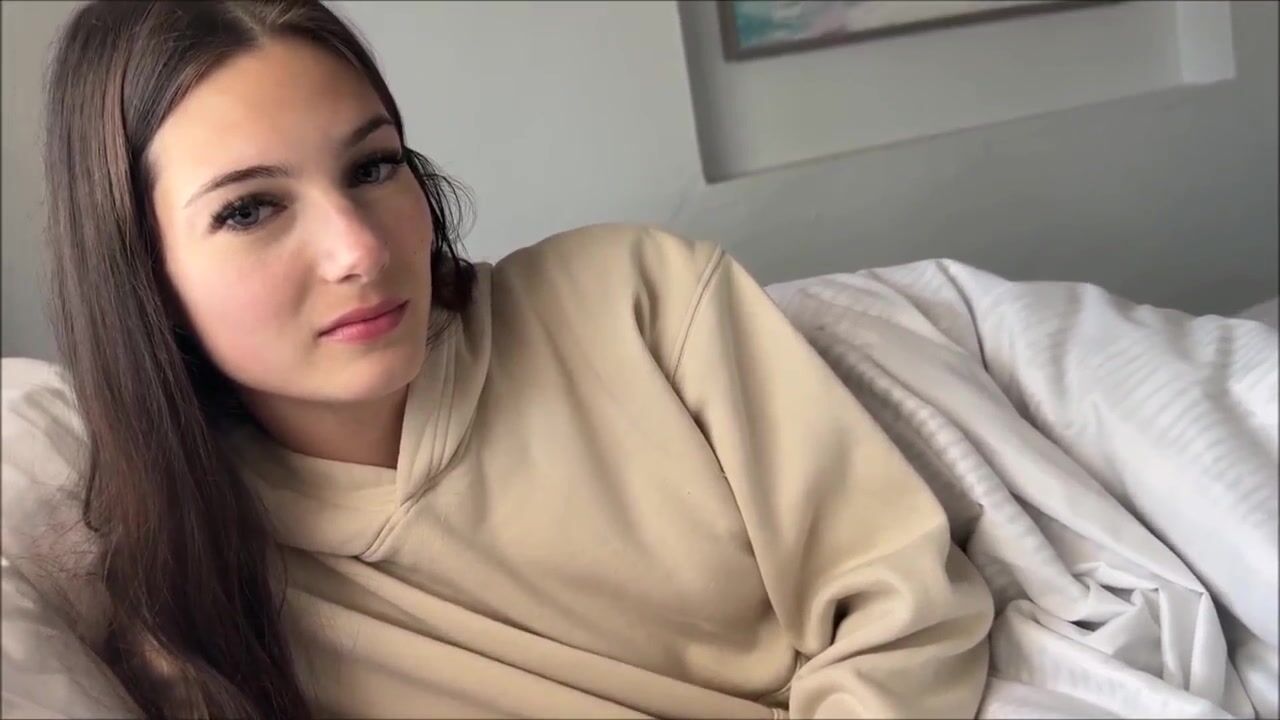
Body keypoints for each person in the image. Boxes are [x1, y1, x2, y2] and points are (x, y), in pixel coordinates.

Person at [36, 0, 993, 717]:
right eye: (249, 210)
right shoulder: (195, 607)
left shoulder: (637, 300)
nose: (358, 250)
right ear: (143, 273)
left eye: (373, 167)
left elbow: (906, 609)